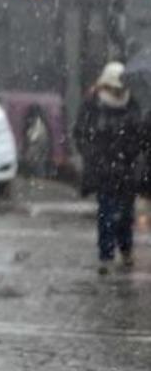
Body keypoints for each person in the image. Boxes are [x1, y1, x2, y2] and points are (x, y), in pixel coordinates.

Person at [73, 62, 142, 275]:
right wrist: (93, 154)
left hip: (126, 170)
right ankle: (106, 255)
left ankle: (126, 248)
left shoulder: (132, 104)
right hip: (103, 170)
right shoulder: (92, 104)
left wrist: (131, 150)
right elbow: (80, 134)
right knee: (106, 213)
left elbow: (139, 135)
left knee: (125, 215)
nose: (118, 91)